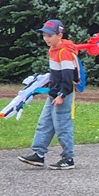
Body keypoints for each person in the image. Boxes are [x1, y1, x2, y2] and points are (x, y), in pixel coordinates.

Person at [19, 19, 79, 171]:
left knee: (62, 126)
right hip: (54, 93)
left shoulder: (64, 52)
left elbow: (68, 78)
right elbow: (56, 75)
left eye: (50, 36)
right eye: (44, 35)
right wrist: (48, 84)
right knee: (45, 123)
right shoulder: (52, 50)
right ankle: (38, 154)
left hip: (63, 95)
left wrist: (61, 95)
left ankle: (68, 158)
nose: (46, 38)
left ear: (60, 35)